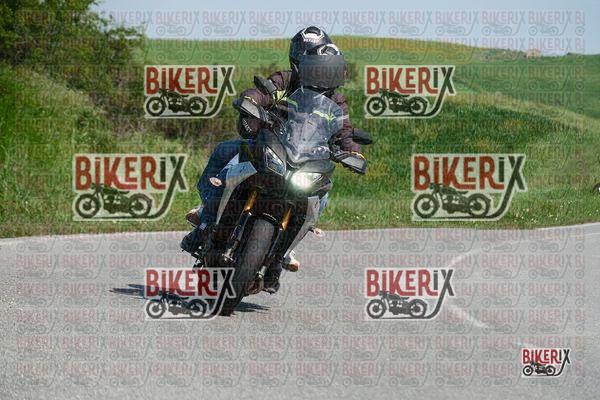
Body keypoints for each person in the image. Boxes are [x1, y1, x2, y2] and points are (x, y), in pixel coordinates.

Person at [181, 26, 363, 290]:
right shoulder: (285, 80)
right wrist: (251, 104)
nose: (322, 73)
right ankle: (207, 215)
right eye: (314, 64)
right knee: (227, 153)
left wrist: (352, 152)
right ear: (299, 60)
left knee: (322, 194)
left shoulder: (337, 101)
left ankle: (283, 250)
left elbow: (344, 132)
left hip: (306, 159)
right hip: (271, 143)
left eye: (326, 68)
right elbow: (260, 93)